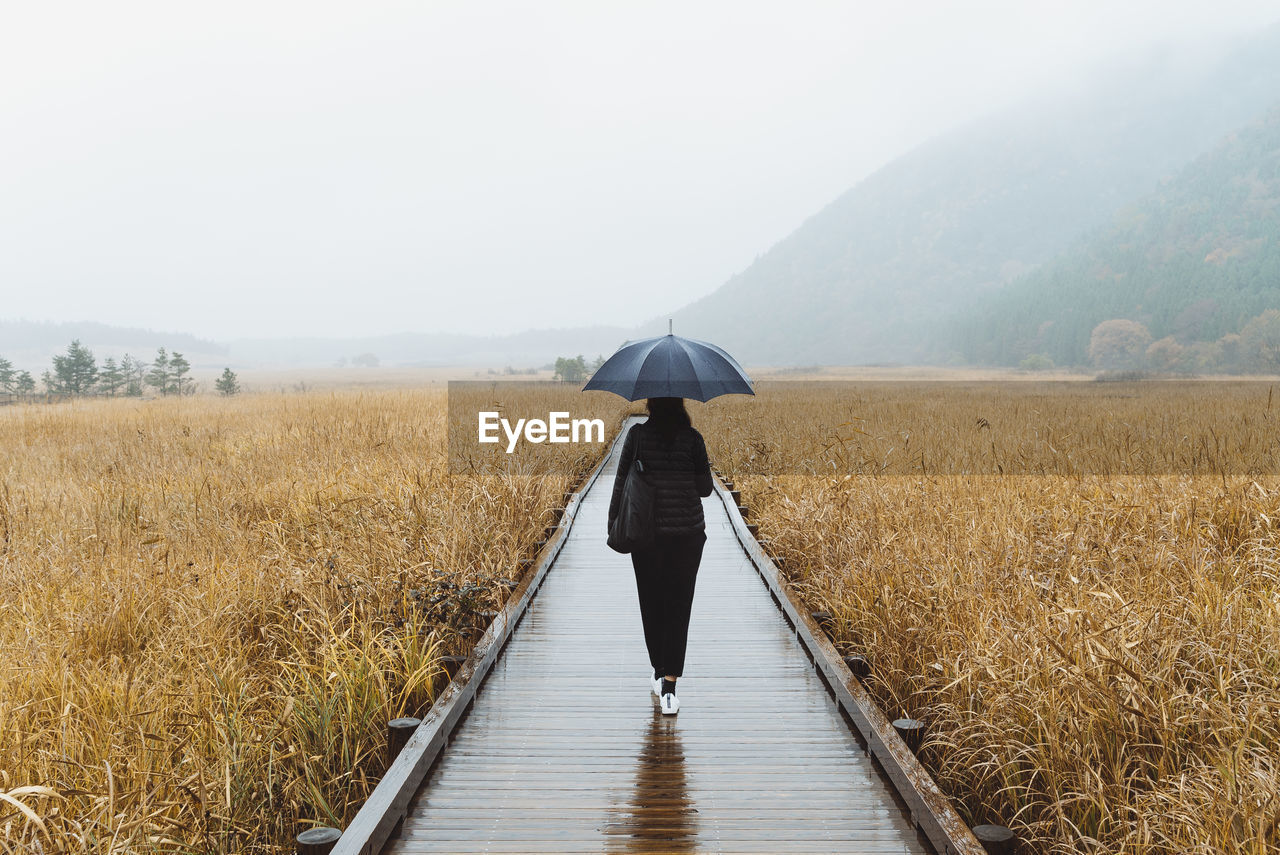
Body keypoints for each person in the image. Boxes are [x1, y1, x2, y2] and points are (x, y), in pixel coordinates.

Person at [607, 397, 713, 715]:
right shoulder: (694, 439)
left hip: (646, 535)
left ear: (651, 404)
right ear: (681, 404)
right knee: (679, 608)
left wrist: (614, 524)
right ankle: (670, 687)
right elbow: (706, 488)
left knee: (652, 604)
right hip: (687, 536)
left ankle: (658, 669)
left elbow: (621, 480)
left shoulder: (637, 435)